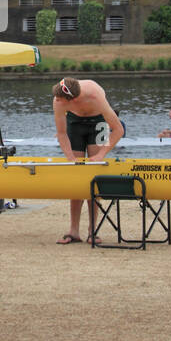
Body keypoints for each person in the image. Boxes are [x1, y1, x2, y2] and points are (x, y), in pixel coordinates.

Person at [51, 76, 123, 245]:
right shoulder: (58, 99)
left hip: (98, 121)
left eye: (60, 100)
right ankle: (73, 231)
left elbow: (118, 129)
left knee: (93, 175)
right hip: (75, 123)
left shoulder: (95, 96)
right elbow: (61, 134)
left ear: (73, 99)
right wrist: (70, 157)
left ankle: (93, 230)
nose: (57, 101)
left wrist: (101, 154)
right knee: (76, 176)